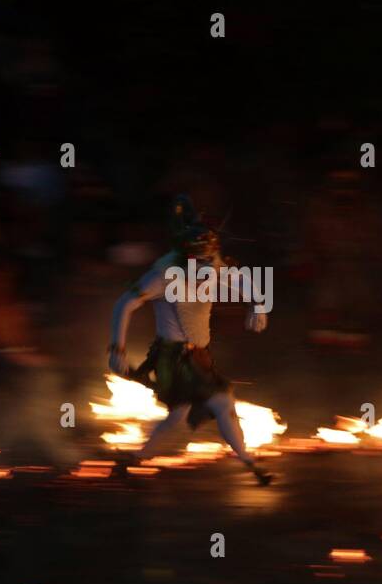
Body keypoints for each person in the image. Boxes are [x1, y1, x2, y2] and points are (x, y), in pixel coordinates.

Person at [107, 197, 273, 484]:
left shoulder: (213, 265)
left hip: (198, 357)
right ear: (187, 258)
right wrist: (116, 348)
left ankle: (133, 459)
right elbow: (124, 303)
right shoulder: (163, 277)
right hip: (173, 359)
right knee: (222, 402)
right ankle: (249, 462)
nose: (208, 270)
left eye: (211, 261)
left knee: (177, 416)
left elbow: (241, 279)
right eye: (201, 263)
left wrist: (257, 304)